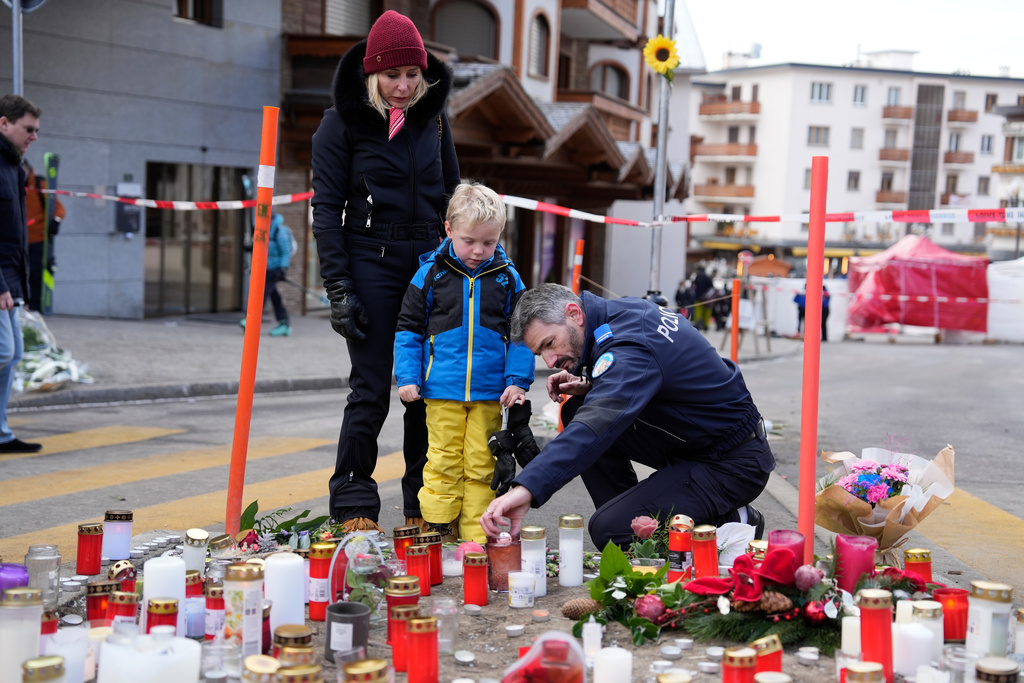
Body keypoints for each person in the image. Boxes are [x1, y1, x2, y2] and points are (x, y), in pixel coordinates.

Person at [479, 284, 775, 549]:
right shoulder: (622, 315)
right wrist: (594, 385)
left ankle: (729, 521)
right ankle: (631, 518)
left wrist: (527, 487)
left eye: (549, 344)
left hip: (732, 464)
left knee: (608, 529)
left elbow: (596, 423)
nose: (551, 362)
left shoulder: (632, 345)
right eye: (540, 354)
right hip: (700, 441)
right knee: (575, 408)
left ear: (574, 313)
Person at [311, 10, 460, 532]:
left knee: (425, 390)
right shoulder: (340, 124)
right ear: (372, 74)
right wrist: (338, 287)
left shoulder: (435, 120)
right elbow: (327, 210)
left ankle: (423, 503)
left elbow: (453, 200)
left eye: (412, 75)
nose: (403, 87)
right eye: (392, 76)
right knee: (371, 387)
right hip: (369, 262)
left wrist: (465, 265)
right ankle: (353, 502)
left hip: (428, 267)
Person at [394, 182, 534, 542]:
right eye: (469, 240)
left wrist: (518, 379)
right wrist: (408, 375)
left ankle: (476, 537)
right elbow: (408, 329)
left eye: (488, 242)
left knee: (482, 463)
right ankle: (438, 528)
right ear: (449, 229)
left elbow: (521, 334)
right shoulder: (429, 274)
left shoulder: (507, 277)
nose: (478, 250)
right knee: (441, 459)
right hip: (441, 389)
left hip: (490, 393)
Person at [0, 94, 43, 453]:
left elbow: (14, 231)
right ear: (4, 124)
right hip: (0, 281)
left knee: (12, 356)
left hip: (11, 281)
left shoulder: (14, 167)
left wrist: (20, 286)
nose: (34, 136)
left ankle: (0, 434)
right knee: (3, 351)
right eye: (28, 129)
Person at [241, 212, 293, 336]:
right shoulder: (263, 230)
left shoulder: (280, 231)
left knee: (261, 294)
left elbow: (286, 251)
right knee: (274, 296)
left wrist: (283, 268)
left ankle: (251, 320)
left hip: (274, 269)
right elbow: (262, 247)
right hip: (264, 268)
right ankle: (284, 323)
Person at [23, 159, 64, 313]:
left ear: (28, 169)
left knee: (35, 274)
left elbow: (60, 209)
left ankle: (35, 308)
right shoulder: (13, 184)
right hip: (19, 241)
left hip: (38, 241)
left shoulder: (40, 185)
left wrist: (55, 222)